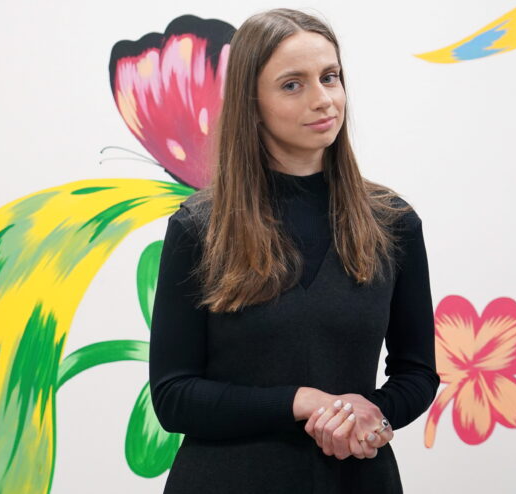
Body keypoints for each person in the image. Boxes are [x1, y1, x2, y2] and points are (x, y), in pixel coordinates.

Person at [148, 7, 440, 494]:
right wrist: (301, 402)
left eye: (330, 77)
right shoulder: (199, 227)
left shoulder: (393, 222)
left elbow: (417, 371)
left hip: (356, 480)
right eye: (292, 85)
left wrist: (369, 416)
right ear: (251, 103)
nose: (323, 99)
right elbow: (174, 396)